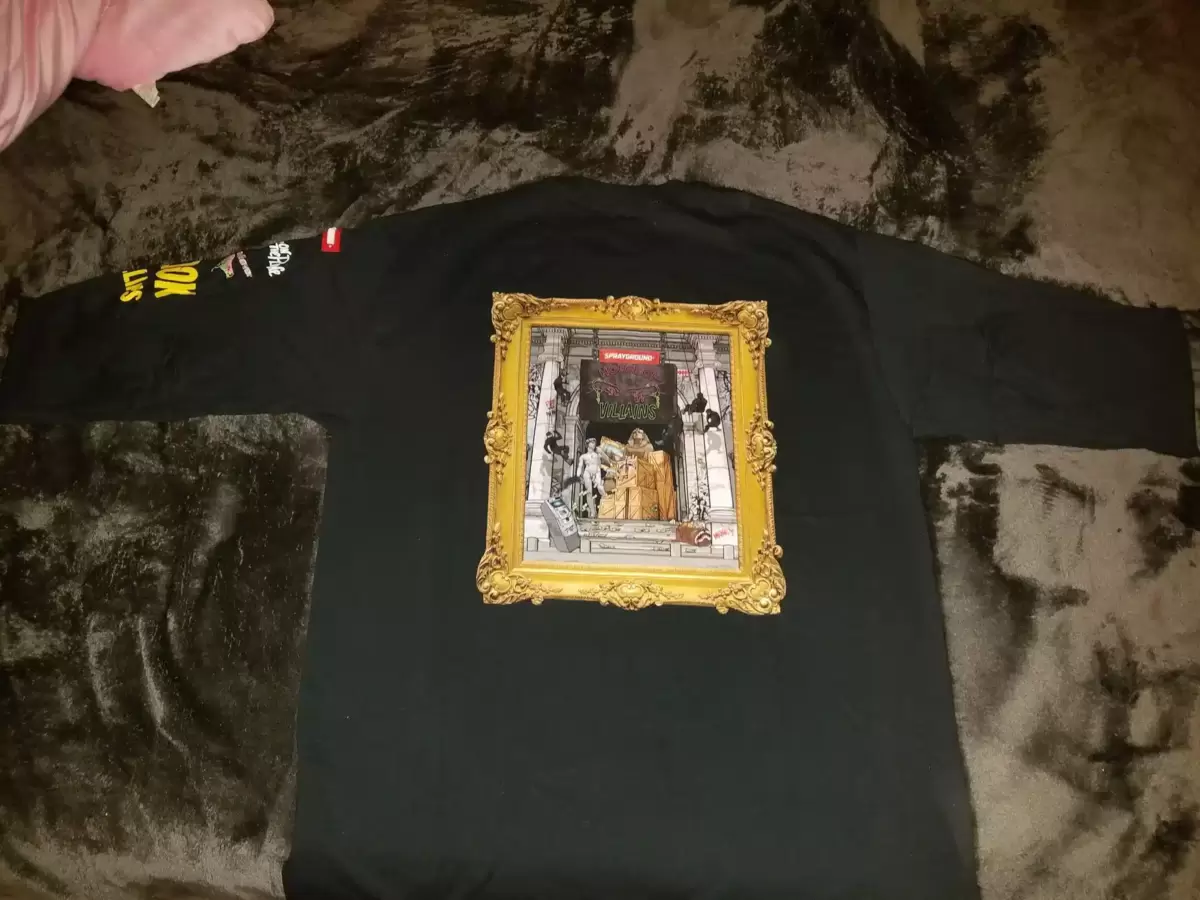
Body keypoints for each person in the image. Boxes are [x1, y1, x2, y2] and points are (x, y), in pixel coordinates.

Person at [575, 437, 609, 518]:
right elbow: (580, 466)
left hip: (596, 472)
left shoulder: (597, 454)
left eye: (594, 443)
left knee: (600, 488)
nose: (594, 444)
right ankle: (592, 512)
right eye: (592, 443)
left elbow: (602, 462)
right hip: (587, 472)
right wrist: (577, 476)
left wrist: (602, 453)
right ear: (588, 445)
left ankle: (606, 503)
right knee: (589, 492)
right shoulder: (583, 456)